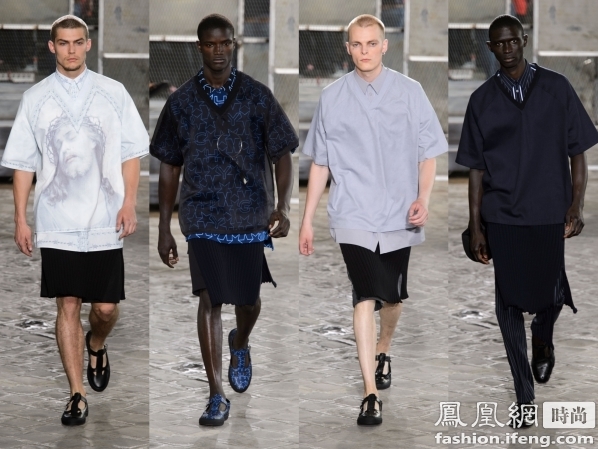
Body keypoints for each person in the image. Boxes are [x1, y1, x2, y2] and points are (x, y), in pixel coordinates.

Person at [299, 14, 446, 426]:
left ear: (384, 45)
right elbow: (321, 164)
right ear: (348, 48)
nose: (364, 51)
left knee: (392, 299)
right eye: (356, 44)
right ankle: (370, 393)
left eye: (371, 43)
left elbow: (428, 154)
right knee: (364, 294)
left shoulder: (410, 92)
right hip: (352, 213)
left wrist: (423, 198)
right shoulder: (331, 98)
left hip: (399, 214)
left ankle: (384, 347)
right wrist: (307, 220)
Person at [150, 14, 297, 427]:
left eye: (225, 43)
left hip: (249, 211)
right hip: (201, 212)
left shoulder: (257, 95)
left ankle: (241, 341)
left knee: (248, 300)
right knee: (210, 298)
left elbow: (282, 153)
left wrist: (283, 207)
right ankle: (216, 394)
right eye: (210, 44)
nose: (218, 51)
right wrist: (164, 228)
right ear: (199, 47)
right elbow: (169, 165)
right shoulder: (180, 103)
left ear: (234, 45)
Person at [1, 15, 148, 425]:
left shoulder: (113, 93)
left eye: (77, 42)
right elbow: (24, 165)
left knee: (105, 309)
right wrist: (20, 219)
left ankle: (96, 343)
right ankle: (76, 394)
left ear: (88, 44)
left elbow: (131, 154)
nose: (70, 49)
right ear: (52, 47)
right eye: (63, 43)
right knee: (67, 303)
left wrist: (129, 202)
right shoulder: (35, 98)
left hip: (105, 218)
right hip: (57, 219)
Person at [456, 14, 598, 428]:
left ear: (524, 40)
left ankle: (543, 337)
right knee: (507, 303)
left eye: (513, 41)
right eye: (498, 44)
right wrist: (476, 226)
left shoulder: (556, 87)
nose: (507, 49)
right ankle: (524, 395)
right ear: (490, 48)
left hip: (549, 209)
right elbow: (476, 170)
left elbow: (578, 151)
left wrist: (576, 205)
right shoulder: (482, 100)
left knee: (551, 292)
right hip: (502, 214)